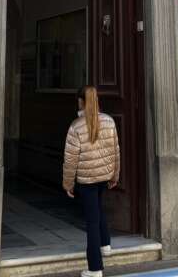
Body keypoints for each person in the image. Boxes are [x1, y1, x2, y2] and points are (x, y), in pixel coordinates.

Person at [63, 86, 120, 277]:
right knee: (98, 208)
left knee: (92, 221)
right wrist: (115, 175)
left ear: (80, 101)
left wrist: (68, 184)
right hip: (104, 176)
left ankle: (94, 269)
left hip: (86, 180)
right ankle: (106, 245)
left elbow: (70, 159)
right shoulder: (109, 121)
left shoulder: (76, 126)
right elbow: (116, 151)